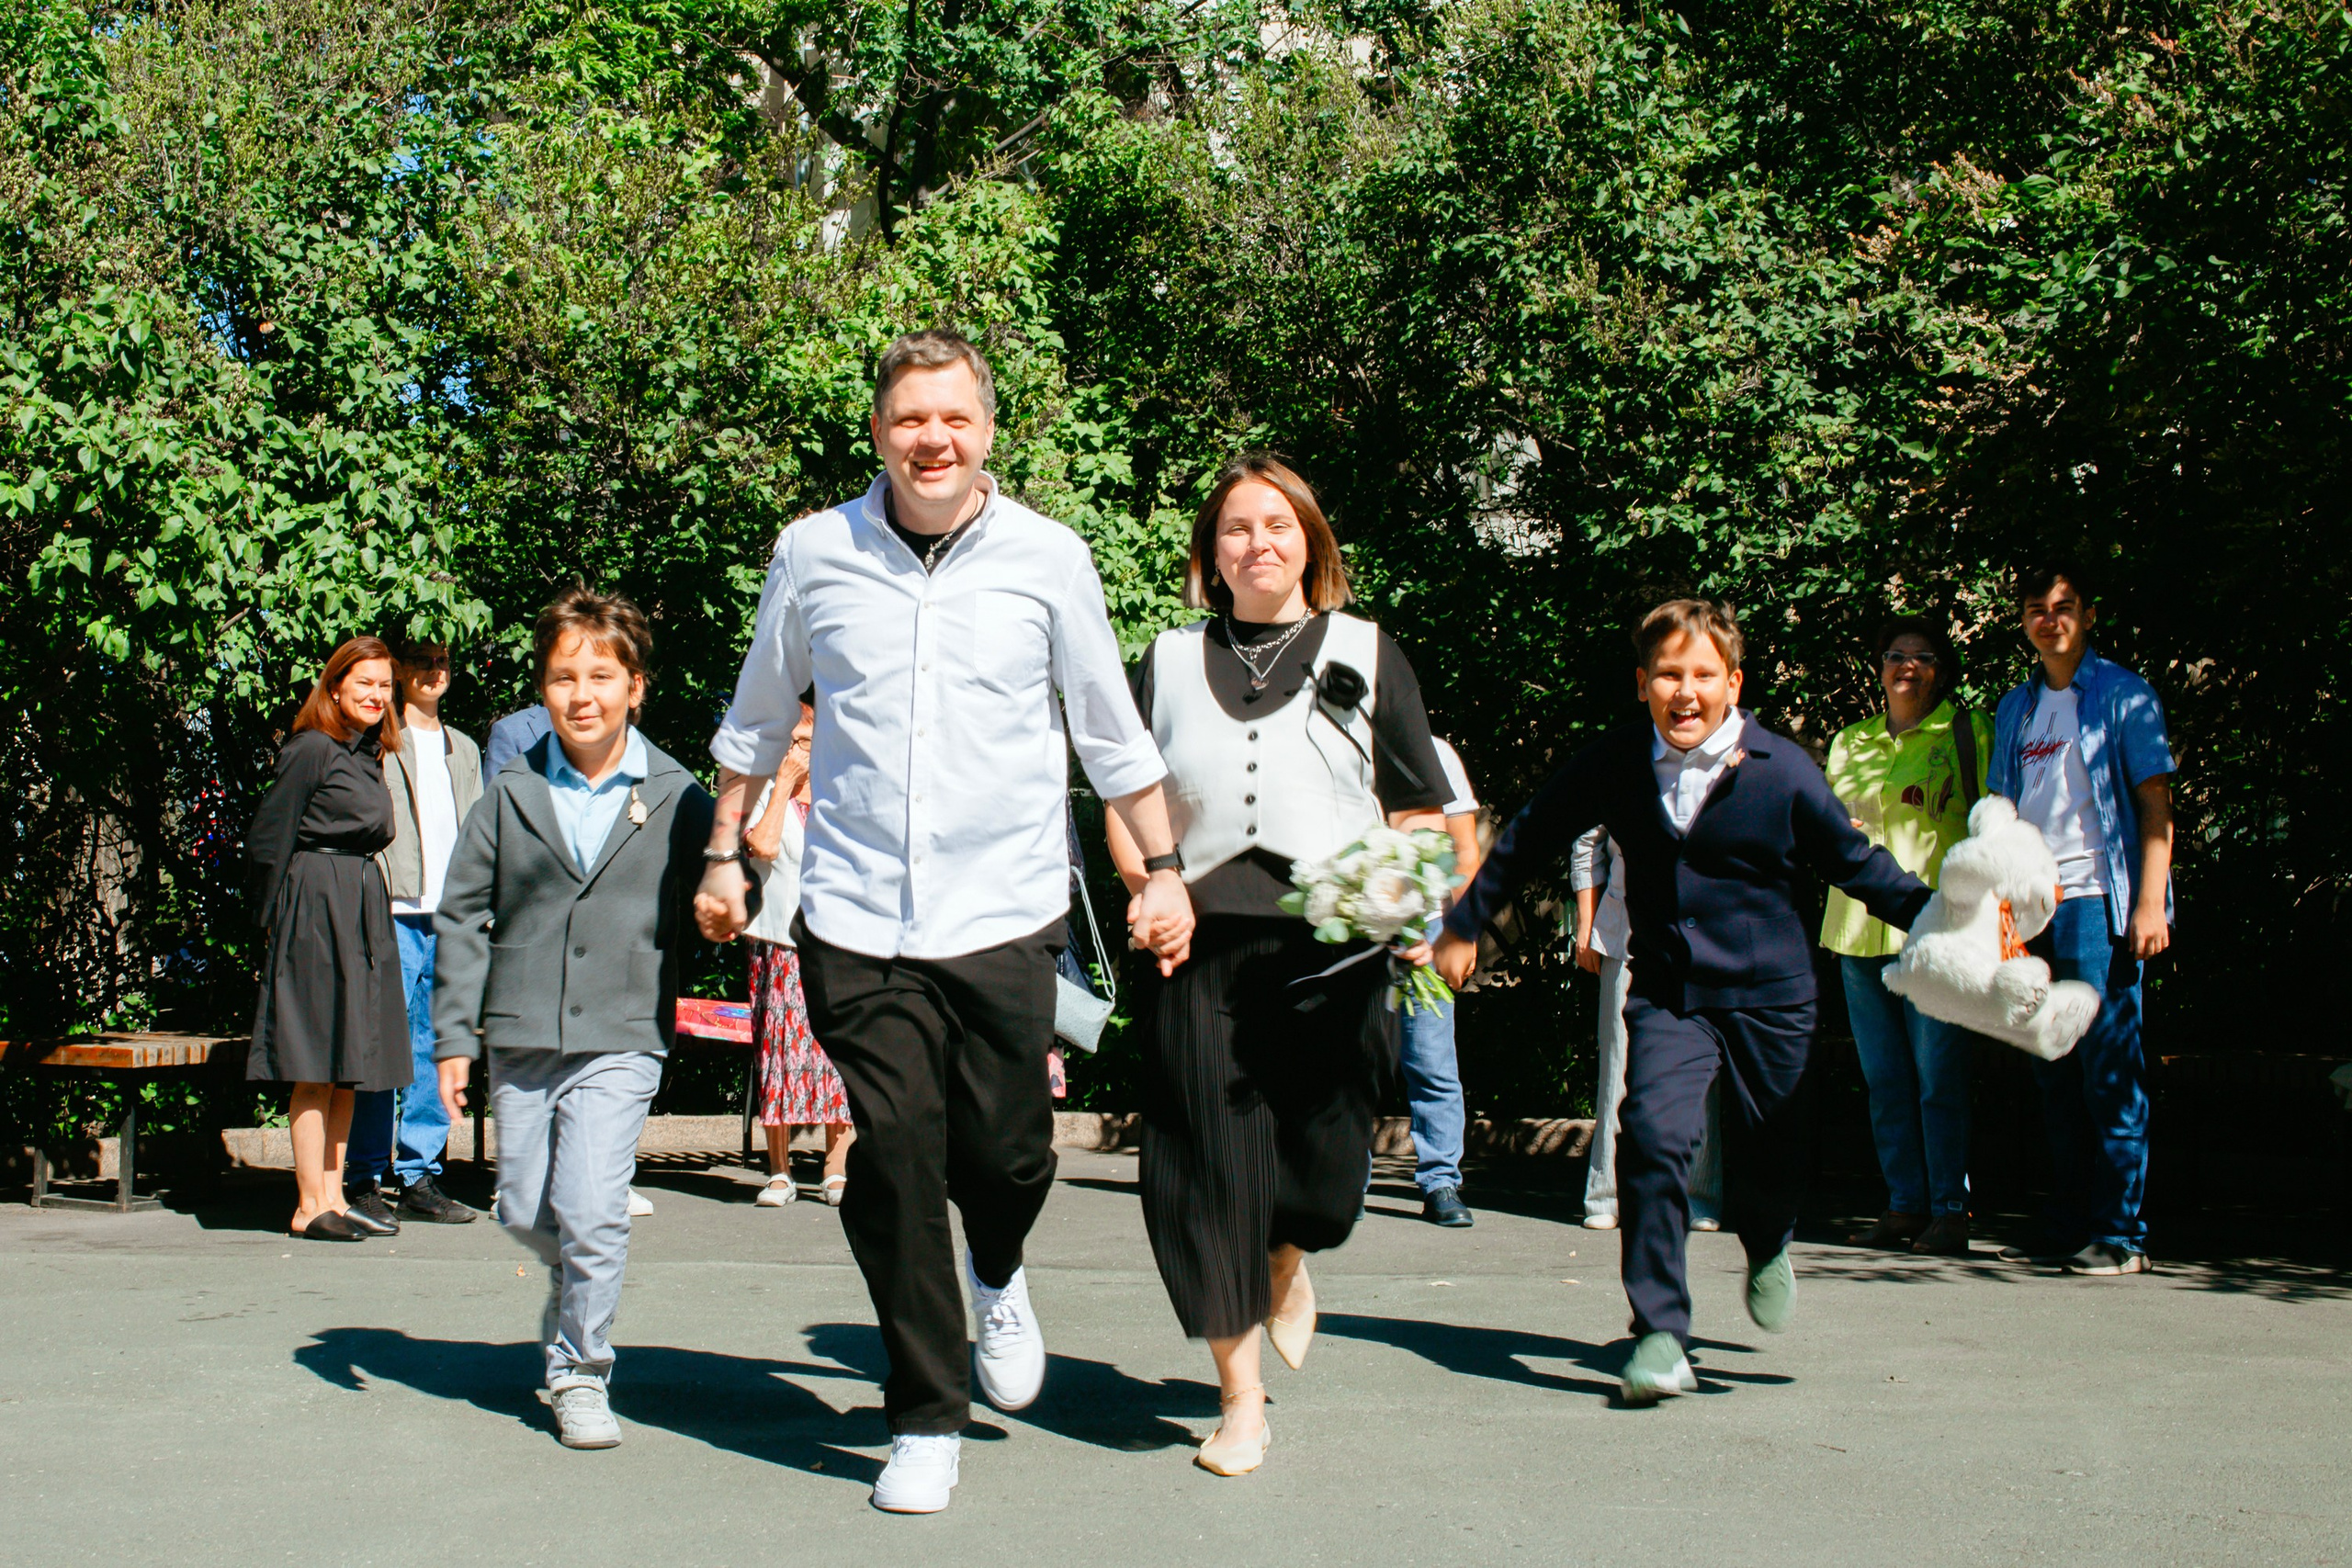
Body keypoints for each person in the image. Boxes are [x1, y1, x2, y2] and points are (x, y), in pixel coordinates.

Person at [697, 330, 1193, 1514]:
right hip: (857, 917)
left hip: (1005, 915)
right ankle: (925, 1413)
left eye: (954, 419)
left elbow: (1110, 734)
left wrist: (1161, 871)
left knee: (1009, 1154)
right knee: (898, 1153)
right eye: (910, 419)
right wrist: (724, 851)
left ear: (985, 432)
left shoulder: (1047, 558)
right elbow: (758, 721)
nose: (933, 439)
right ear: (877, 432)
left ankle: (1001, 1262)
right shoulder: (814, 554)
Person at [1434, 600, 1930, 1405]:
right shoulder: (1616, 760)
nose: (1686, 691)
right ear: (1642, 684)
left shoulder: (1782, 769)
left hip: (1773, 998)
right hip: (1669, 989)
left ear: (1733, 682)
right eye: (1669, 674)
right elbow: (1528, 833)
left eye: (1704, 674)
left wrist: (1948, 917)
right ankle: (1660, 1329)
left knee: (1773, 1154)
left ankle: (1767, 1237)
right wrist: (1463, 921)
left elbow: (1857, 863)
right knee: (1653, 1138)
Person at [1110, 455, 1451, 1475]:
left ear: (1310, 541)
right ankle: (1240, 1401)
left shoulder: (1371, 652)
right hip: (1198, 951)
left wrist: (1407, 898)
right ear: (1209, 555)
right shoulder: (1164, 662)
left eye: (1276, 525)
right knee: (1205, 1174)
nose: (1256, 543)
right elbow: (1130, 804)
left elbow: (1419, 810)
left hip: (1332, 955)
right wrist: (1147, 887)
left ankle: (1288, 1255)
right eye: (1234, 529)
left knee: (1325, 1178)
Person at [431, 589, 716, 1450]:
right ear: (542, 689)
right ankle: (570, 1289)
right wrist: (453, 1035)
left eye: (601, 675)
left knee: (593, 1211)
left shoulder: (677, 792)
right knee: (522, 1208)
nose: (581, 693)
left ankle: (580, 1371)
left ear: (637, 686)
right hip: (522, 1029)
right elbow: (459, 911)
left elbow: (724, 890)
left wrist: (745, 881)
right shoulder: (510, 790)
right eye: (562, 677)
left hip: (624, 1032)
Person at [1986, 561, 2174, 1277]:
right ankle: (2068, 1221)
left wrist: (2151, 903)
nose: (2049, 618)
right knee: (2052, 1070)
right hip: (2034, 904)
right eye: (2036, 607)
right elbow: (2000, 815)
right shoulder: (2016, 707)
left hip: (2101, 899)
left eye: (2063, 606)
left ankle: (2121, 1233)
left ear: (2087, 615)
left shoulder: (2125, 695)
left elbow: (2155, 806)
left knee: (2108, 1069)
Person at [1823, 616, 1992, 1258]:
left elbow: (1992, 825)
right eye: (1896, 655)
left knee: (1937, 1076)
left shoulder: (1968, 732)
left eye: (1922, 657)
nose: (1907, 667)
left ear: (1941, 671)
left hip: (1936, 930)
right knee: (1886, 1079)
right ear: (1881, 667)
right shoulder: (1848, 742)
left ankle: (1951, 1207)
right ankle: (1903, 1204)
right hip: (1857, 928)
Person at [244, 637, 414, 1241]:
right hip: (315, 902)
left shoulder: (368, 754)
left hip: (360, 903)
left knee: (349, 1062)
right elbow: (270, 840)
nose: (376, 694)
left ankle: (335, 1194)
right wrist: (274, 925)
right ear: (335, 686)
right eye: (364, 682)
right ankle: (307, 1203)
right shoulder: (310, 748)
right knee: (316, 1062)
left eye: (384, 684)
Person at [346, 638, 481, 1228]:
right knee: (382, 1044)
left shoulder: (464, 748)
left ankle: (420, 1173)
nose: (434, 672)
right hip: (393, 910)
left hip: (449, 916)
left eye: (443, 663)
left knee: (435, 1042)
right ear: (400, 672)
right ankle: (364, 1173)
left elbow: (479, 832)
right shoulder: (380, 740)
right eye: (422, 662)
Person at [1572, 827, 1722, 1234]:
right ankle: (1607, 1193)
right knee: (1618, 1064)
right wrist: (1586, 922)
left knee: (1700, 1066)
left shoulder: (1717, 765)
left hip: (1702, 935)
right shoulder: (1622, 765)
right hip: (1627, 932)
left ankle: (1697, 1195)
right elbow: (1587, 842)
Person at [741, 701, 856, 1208]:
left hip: (837, 940)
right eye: (787, 743)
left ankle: (837, 1165)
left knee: (836, 1053)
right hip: (778, 940)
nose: (795, 752)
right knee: (780, 1052)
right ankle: (780, 1171)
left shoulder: (841, 792)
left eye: (805, 743)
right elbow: (762, 848)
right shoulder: (761, 791)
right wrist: (784, 783)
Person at [1393, 736, 1481, 1228]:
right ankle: (1345, 1182)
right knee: (1349, 1057)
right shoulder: (1325, 740)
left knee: (1431, 1058)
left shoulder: (1434, 753)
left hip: (1427, 924)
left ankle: (1440, 1179)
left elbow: (1464, 851)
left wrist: (1461, 932)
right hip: (1351, 924)